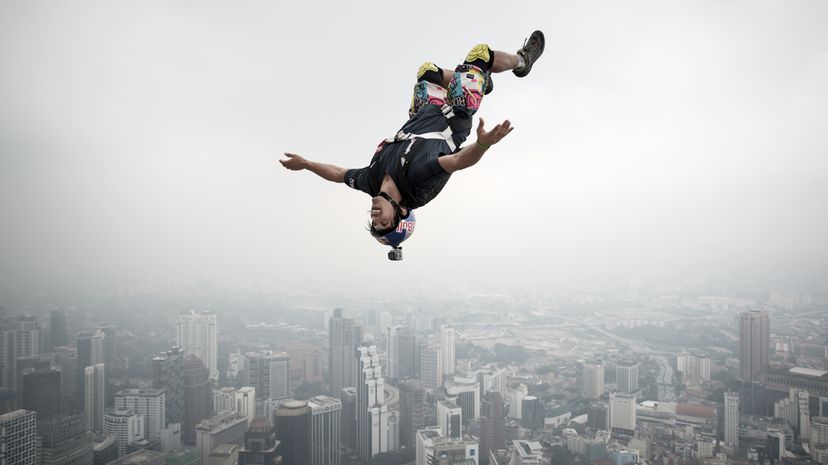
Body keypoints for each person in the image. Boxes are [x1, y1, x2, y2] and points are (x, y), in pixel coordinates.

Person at [280, 31, 545, 260]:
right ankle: (521, 61)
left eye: (374, 222)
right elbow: (455, 162)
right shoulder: (415, 180)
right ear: (401, 212)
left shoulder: (370, 181)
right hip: (455, 113)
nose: (375, 216)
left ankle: (480, 81)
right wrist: (482, 145)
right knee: (480, 54)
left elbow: (338, 175)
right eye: (383, 221)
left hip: (424, 114)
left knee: (427, 72)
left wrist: (305, 164)